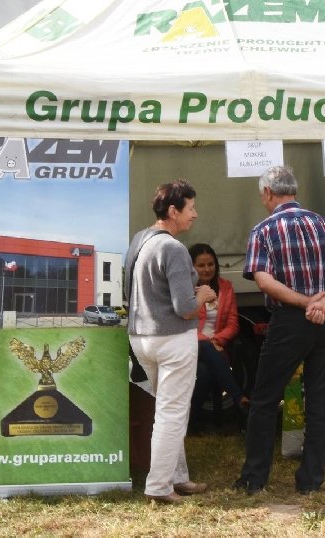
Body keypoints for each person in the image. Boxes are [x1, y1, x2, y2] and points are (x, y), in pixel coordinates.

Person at [234, 166, 325, 495]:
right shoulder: (324, 224)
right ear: (294, 190)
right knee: (320, 401)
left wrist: (307, 303)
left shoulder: (263, 230)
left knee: (265, 399)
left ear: (267, 193)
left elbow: (264, 281)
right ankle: (311, 480)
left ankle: (255, 478)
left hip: (290, 321)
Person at [125, 179, 216, 505]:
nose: (195, 214)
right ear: (174, 211)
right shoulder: (174, 248)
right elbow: (185, 308)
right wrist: (203, 294)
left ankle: (178, 477)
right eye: (191, 208)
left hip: (141, 338)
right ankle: (160, 486)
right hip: (173, 339)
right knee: (172, 413)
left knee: (166, 410)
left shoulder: (140, 240)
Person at [187, 243, 248, 428]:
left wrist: (217, 340)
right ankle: (238, 397)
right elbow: (186, 325)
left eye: (211, 264)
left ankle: (191, 424)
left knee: (204, 373)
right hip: (190, 345)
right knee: (206, 349)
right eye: (201, 265)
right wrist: (209, 342)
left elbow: (233, 323)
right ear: (192, 267)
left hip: (216, 348)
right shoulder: (186, 290)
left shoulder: (226, 287)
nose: (207, 269)